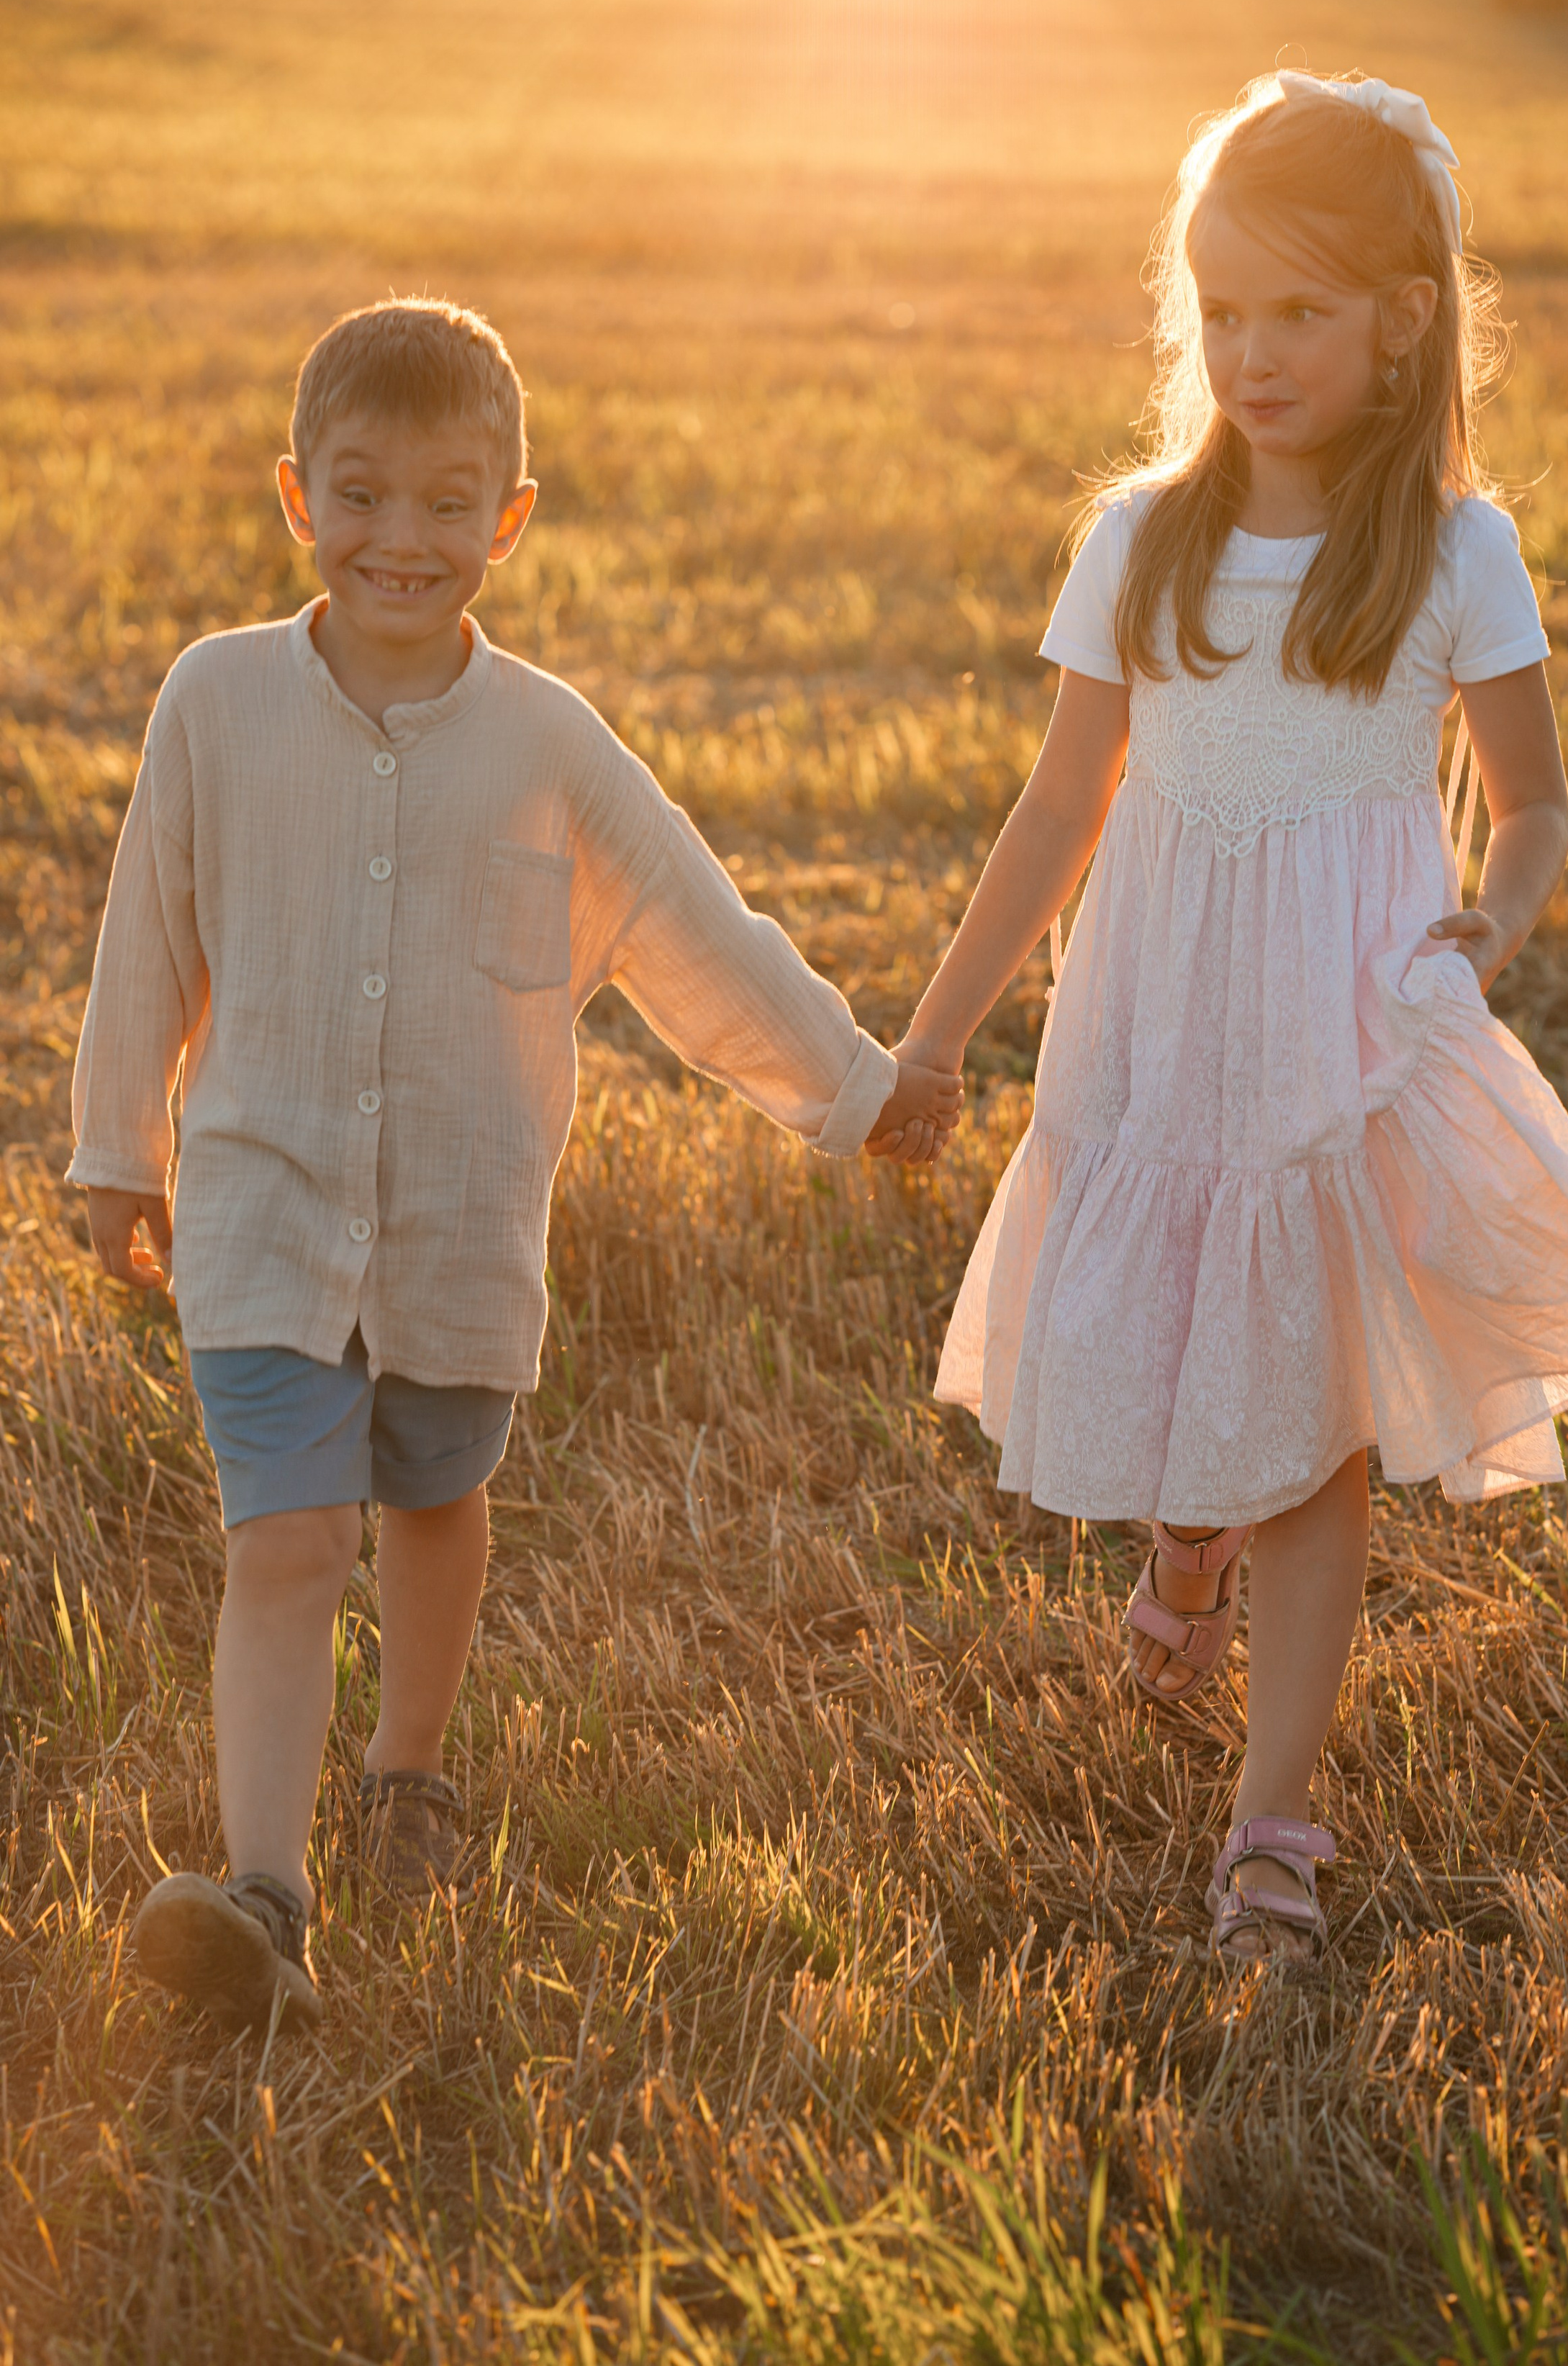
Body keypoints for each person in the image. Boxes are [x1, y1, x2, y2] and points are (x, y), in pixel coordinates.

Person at [72, 297, 960, 2035]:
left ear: (510, 517)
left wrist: (855, 1089)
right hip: (260, 1212)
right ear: (293, 496)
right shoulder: (217, 701)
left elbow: (699, 929)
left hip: (458, 1238)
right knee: (290, 1538)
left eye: (446, 502)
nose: (401, 537)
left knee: (431, 1498)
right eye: (361, 493)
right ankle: (266, 1893)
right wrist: (121, 1149)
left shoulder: (549, 743)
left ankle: (407, 1770)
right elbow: (144, 936)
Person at [889, 73, 1568, 1964]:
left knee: (1313, 1408)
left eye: (1299, 312)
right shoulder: (1144, 543)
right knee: (1181, 1370)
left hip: (1344, 1027)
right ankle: (1184, 1561)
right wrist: (934, 1037)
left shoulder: (1453, 552)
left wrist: (1501, 907)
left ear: (1403, 321)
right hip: (1162, 1013)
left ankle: (1273, 1815)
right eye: (1223, 310)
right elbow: (1059, 805)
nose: (1252, 351)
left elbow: (1537, 797)